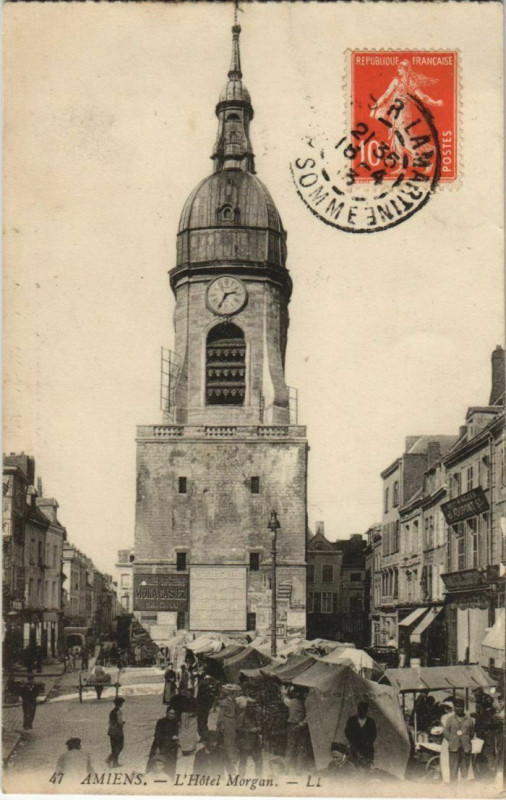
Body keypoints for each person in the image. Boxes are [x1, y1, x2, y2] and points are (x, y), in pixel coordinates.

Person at [443, 697, 474, 782]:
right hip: (454, 748)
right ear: (454, 707)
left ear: (463, 707)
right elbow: (446, 732)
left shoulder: (469, 720)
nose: (459, 708)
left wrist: (465, 740)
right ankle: (453, 791)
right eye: (457, 706)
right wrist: (453, 739)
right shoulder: (450, 719)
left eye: (461, 706)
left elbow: (471, 733)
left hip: (465, 749)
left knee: (464, 771)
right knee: (453, 771)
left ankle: (463, 791)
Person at [146, 707, 179, 778]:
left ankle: (169, 778)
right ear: (166, 713)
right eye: (170, 713)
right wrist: (158, 747)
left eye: (173, 714)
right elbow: (157, 735)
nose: (171, 715)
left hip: (171, 746)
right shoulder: (161, 722)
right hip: (161, 744)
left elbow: (176, 732)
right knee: (157, 761)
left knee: (171, 763)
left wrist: (175, 736)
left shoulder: (175, 722)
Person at [236, 693, 263, 777]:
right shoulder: (242, 717)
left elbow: (261, 725)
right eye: (250, 707)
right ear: (247, 707)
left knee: (259, 761)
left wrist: (259, 728)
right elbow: (238, 729)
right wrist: (250, 730)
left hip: (255, 742)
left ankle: (259, 778)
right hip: (245, 742)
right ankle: (241, 778)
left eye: (254, 707)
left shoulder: (256, 716)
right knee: (243, 762)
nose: (252, 709)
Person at [344, 702, 377, 767]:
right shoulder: (351, 720)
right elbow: (347, 732)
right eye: (360, 710)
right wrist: (353, 741)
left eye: (363, 710)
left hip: (367, 749)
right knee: (354, 767)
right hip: (354, 748)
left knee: (366, 767)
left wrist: (367, 742)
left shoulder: (371, 721)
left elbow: (374, 734)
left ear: (367, 711)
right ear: (358, 710)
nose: (361, 712)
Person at [282, 686, 307, 771]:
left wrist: (285, 694)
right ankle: (299, 769)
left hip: (292, 725)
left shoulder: (292, 702)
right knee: (301, 747)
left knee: (290, 746)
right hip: (303, 726)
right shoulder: (306, 703)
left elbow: (285, 700)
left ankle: (287, 768)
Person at [217, 684, 241, 773]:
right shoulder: (224, 702)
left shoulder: (234, 702)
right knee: (228, 740)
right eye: (234, 693)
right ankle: (230, 759)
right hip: (227, 722)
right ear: (231, 693)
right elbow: (221, 715)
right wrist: (221, 725)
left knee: (234, 739)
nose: (235, 695)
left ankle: (233, 757)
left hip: (233, 722)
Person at [196, 673, 218, 738]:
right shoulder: (204, 687)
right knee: (203, 721)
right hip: (203, 707)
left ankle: (203, 735)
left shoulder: (203, 687)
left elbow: (208, 698)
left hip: (203, 707)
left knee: (201, 721)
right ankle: (203, 735)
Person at [178, 691, 198, 757]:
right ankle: (184, 749)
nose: (188, 695)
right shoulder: (182, 700)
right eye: (187, 694)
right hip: (184, 718)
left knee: (192, 733)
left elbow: (197, 709)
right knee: (184, 732)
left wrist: (194, 713)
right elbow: (179, 709)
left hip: (192, 719)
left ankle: (191, 749)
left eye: (190, 694)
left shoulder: (194, 700)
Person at [106, 697, 125, 767]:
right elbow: (114, 722)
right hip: (117, 731)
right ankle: (112, 761)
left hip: (113, 731)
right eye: (121, 703)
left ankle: (114, 762)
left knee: (115, 747)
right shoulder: (117, 712)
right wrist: (120, 724)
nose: (122, 704)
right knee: (119, 747)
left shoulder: (114, 712)